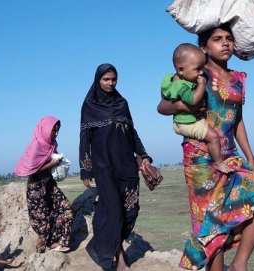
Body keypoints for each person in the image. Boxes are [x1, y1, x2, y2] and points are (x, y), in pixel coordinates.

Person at [157, 23, 254, 271]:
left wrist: (250, 159)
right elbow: (162, 106)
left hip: (230, 155)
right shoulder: (196, 74)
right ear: (204, 48)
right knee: (211, 226)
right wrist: (183, 106)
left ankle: (239, 265)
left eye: (229, 38)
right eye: (217, 39)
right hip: (199, 158)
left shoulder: (238, 79)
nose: (225, 43)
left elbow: (238, 120)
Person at [79, 63, 153, 271]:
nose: (110, 83)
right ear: (98, 80)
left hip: (127, 165)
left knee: (131, 210)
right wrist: (86, 168)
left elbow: (132, 132)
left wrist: (143, 154)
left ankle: (97, 246)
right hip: (104, 167)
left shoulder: (122, 103)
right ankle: (120, 259)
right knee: (114, 212)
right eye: (106, 79)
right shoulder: (89, 106)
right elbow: (85, 138)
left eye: (114, 79)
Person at [161, 43, 232, 174]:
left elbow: (164, 94)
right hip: (189, 123)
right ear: (181, 70)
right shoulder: (182, 85)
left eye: (202, 68)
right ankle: (218, 163)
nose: (201, 73)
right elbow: (193, 100)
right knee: (213, 137)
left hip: (183, 122)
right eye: (197, 69)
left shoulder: (173, 80)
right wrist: (201, 85)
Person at [14, 116, 74, 253]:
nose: (56, 134)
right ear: (46, 130)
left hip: (50, 185)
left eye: (58, 130)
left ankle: (61, 240)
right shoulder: (35, 146)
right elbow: (32, 170)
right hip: (36, 188)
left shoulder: (52, 144)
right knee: (43, 220)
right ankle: (42, 249)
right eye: (54, 130)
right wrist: (51, 164)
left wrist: (59, 164)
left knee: (67, 209)